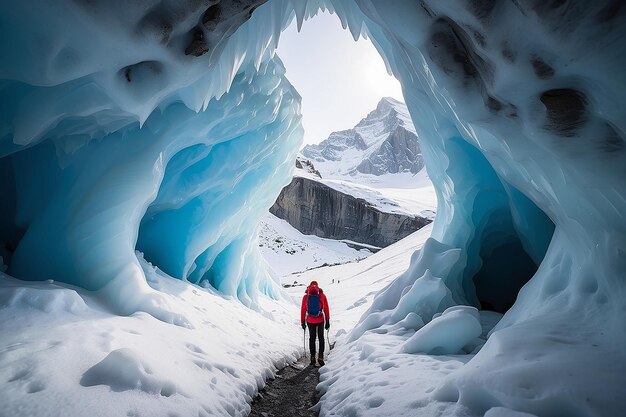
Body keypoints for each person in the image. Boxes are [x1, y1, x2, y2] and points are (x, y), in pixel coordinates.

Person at [301, 280, 330, 366]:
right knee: (321, 338)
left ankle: (312, 357)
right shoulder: (322, 295)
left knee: (312, 338)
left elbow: (303, 310)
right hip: (320, 319)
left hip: (310, 320)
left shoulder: (306, 297)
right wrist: (327, 320)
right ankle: (320, 356)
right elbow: (326, 309)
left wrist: (302, 321)